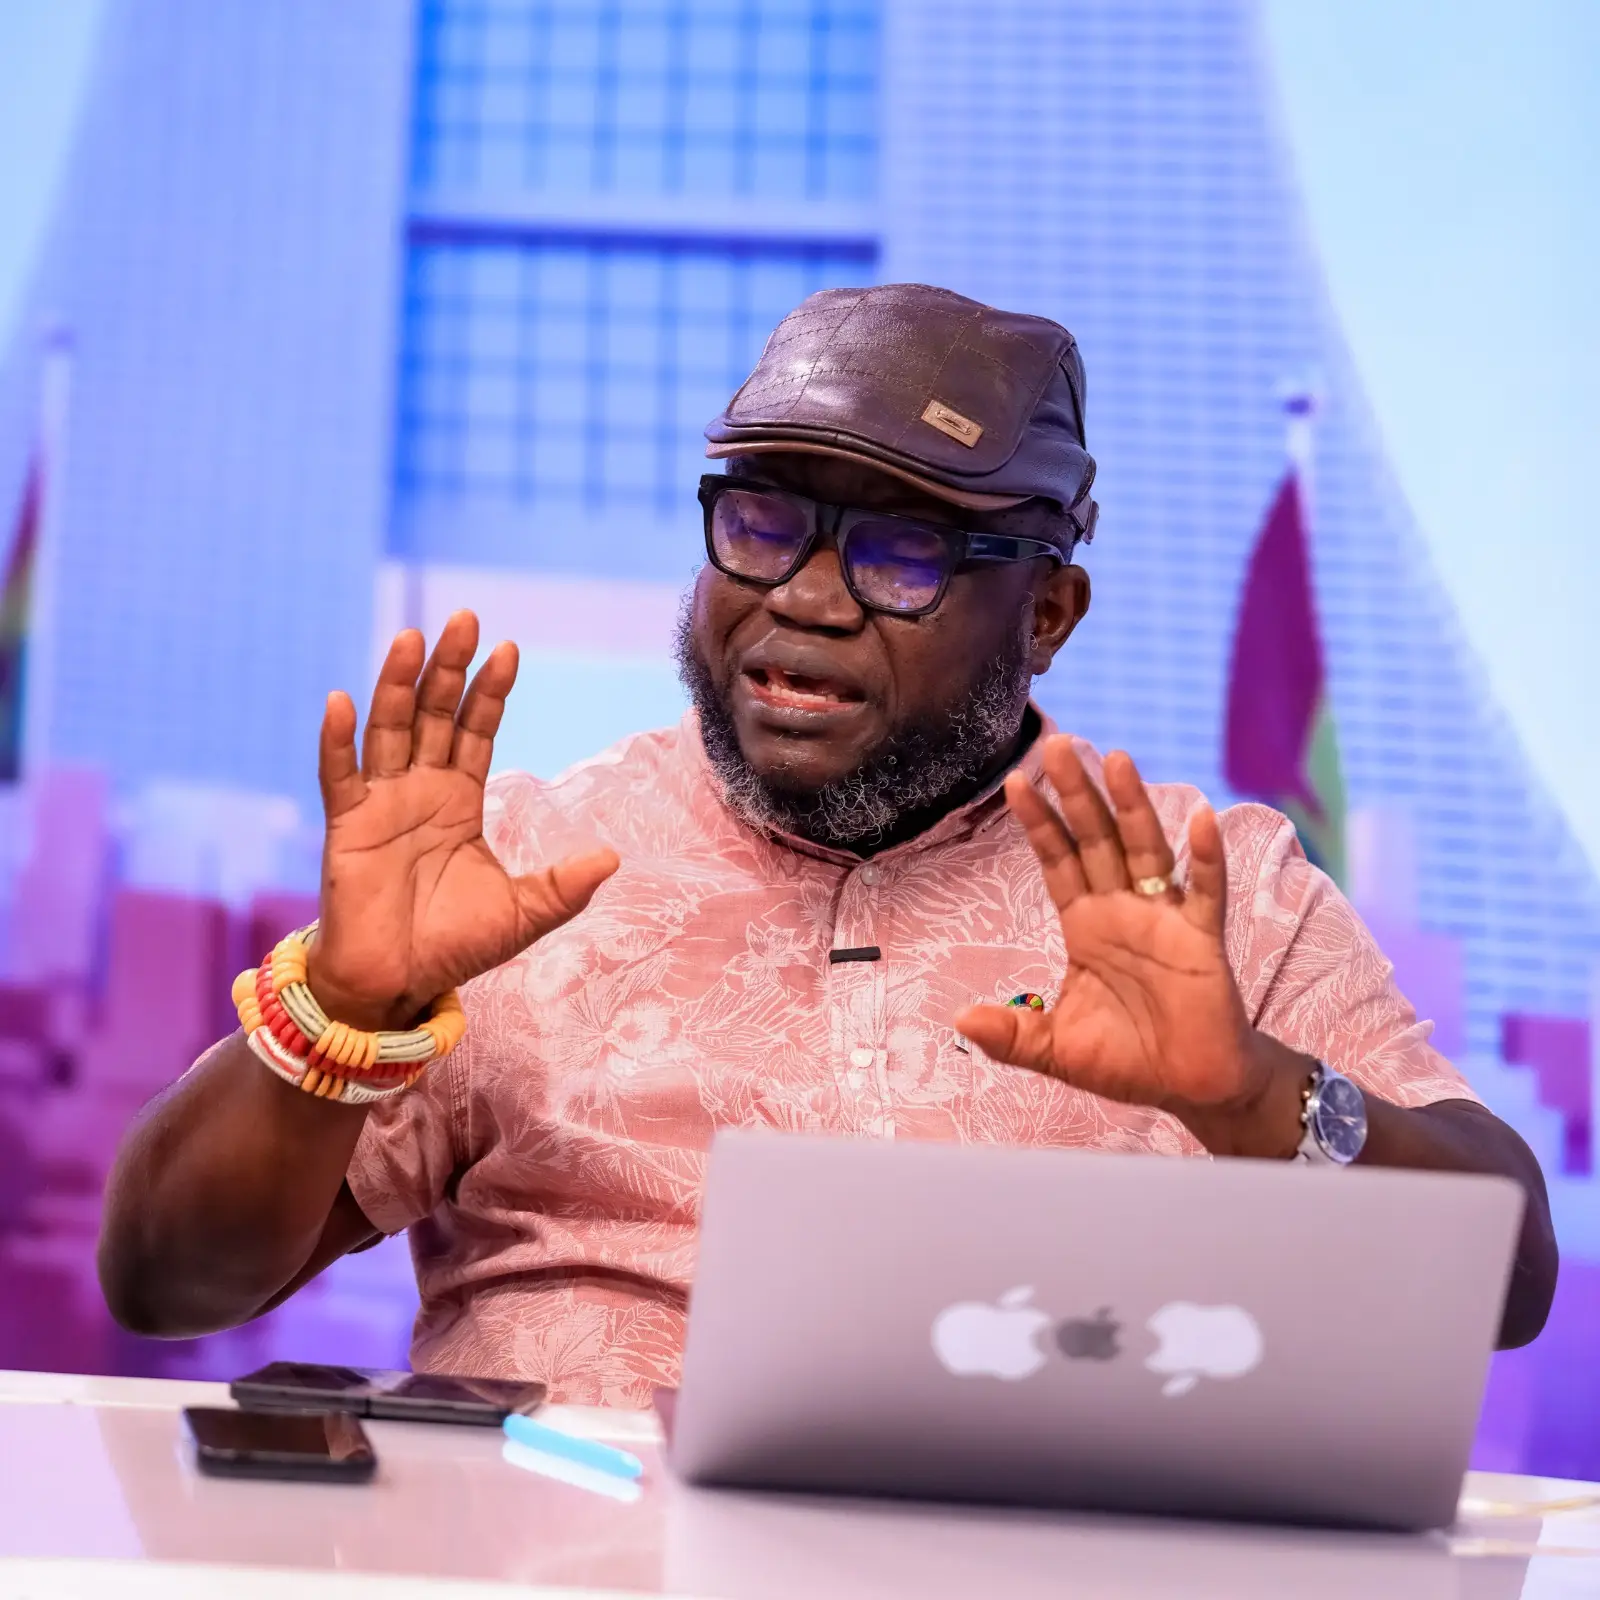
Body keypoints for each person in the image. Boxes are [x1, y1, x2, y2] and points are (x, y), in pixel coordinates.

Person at [98, 284, 1557, 1406]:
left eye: (903, 552)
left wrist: (1249, 1096)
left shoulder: (1211, 893)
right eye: (763, 521)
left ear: (1048, 615)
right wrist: (341, 1007)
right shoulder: (522, 874)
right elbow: (165, 1285)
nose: (803, 595)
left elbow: (1506, 1280)